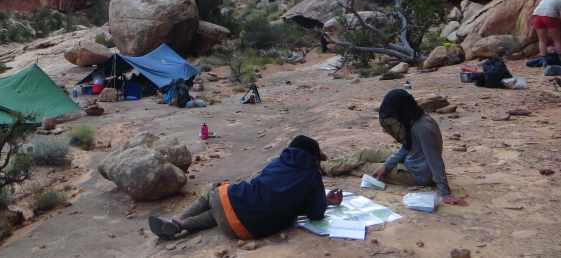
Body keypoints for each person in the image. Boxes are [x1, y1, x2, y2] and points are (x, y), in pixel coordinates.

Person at [148, 135, 342, 240]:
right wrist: (324, 200)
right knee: (222, 215)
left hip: (232, 205)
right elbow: (315, 213)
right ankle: (180, 225)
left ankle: (178, 222)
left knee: (215, 196)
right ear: (313, 156)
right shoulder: (312, 175)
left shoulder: (277, 163)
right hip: (245, 231)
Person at [322, 89, 468, 207]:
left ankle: (323, 168)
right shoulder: (418, 119)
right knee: (365, 153)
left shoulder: (422, 128)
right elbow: (407, 147)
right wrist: (387, 166)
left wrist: (446, 193)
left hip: (415, 174)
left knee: (365, 167)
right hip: (409, 160)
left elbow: (434, 159)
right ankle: (327, 165)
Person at [532, 0, 561, 67]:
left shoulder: (545, 0)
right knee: (557, 40)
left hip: (536, 15)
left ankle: (545, 63)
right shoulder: (560, 2)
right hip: (549, 15)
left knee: (542, 40)